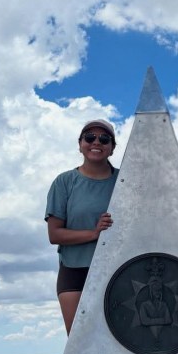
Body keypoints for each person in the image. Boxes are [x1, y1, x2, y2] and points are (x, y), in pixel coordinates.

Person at [45, 119, 118, 334]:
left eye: (104, 139)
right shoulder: (64, 182)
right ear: (80, 144)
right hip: (74, 270)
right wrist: (94, 233)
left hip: (116, 270)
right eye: (90, 137)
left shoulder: (125, 181)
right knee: (80, 342)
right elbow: (54, 234)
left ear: (112, 148)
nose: (97, 142)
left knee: (119, 342)